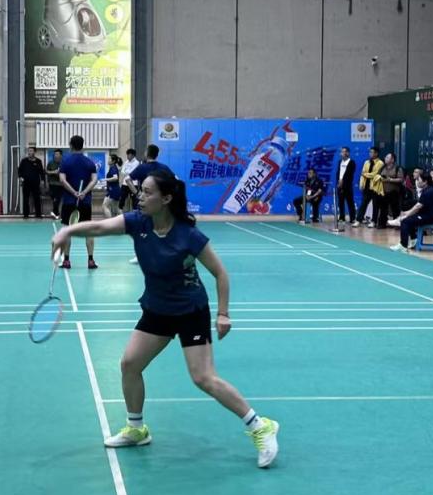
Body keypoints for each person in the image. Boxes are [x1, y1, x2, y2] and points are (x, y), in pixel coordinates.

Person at [50, 169, 280, 468]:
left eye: (147, 192)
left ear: (166, 198)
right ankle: (136, 429)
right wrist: (67, 231)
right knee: (130, 364)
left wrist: (223, 313)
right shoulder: (138, 222)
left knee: (203, 378)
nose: (140, 197)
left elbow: (220, 274)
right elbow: (99, 227)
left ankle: (260, 426)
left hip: (189, 311)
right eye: (140, 191)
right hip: (157, 309)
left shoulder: (189, 235)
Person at [58, 135, 99, 270]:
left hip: (69, 201)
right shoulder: (89, 162)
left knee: (67, 230)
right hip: (85, 201)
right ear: (82, 145)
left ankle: (66, 261)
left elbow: (62, 180)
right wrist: (84, 192)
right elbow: (94, 180)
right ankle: (91, 260)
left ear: (71, 145)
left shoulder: (65, 161)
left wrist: (74, 192)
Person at [388, 173, 433, 252]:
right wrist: (407, 213)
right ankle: (414, 240)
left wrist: (406, 214)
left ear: (425, 182)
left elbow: (418, 206)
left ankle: (403, 245)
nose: (417, 181)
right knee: (409, 218)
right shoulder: (428, 189)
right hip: (427, 215)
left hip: (430, 217)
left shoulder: (428, 192)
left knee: (405, 221)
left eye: (418, 179)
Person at [353, 147, 384, 228]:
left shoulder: (380, 163)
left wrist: (365, 174)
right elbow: (362, 173)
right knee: (363, 204)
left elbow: (375, 174)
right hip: (366, 186)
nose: (370, 154)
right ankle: (358, 220)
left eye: (372, 152)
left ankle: (374, 221)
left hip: (375, 187)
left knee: (375, 205)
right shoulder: (366, 162)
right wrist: (362, 184)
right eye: (370, 152)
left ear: (376, 153)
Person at [18, 146, 45, 219]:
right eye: (29, 151)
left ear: (34, 152)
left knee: (37, 198)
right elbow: (19, 170)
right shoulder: (24, 161)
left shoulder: (38, 161)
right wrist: (20, 177)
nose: (29, 152)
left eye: (31, 151)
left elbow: (41, 172)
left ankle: (38, 214)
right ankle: (25, 215)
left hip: (35, 183)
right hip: (26, 183)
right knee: (26, 199)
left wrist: (42, 180)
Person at [378, 153, 403, 226]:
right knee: (383, 208)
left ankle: (397, 223)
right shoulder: (382, 167)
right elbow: (378, 175)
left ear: (392, 160)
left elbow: (401, 179)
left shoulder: (398, 168)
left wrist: (390, 179)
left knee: (395, 208)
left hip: (394, 192)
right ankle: (382, 224)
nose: (385, 159)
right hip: (383, 191)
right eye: (385, 157)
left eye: (387, 157)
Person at [335, 146, 357, 223]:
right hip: (340, 185)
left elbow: (349, 174)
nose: (341, 153)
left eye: (343, 152)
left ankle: (352, 218)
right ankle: (342, 217)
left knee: (350, 202)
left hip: (347, 185)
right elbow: (338, 172)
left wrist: (343, 181)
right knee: (340, 202)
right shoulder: (340, 162)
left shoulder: (351, 162)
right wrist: (338, 181)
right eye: (341, 152)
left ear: (347, 153)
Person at [46, 149, 63, 220]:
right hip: (52, 184)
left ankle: (56, 213)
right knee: (54, 199)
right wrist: (53, 172)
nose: (55, 155)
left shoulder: (63, 163)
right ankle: (56, 212)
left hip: (60, 185)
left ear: (61, 155)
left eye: (57, 154)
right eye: (55, 154)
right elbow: (47, 171)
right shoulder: (50, 163)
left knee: (57, 199)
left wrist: (59, 173)